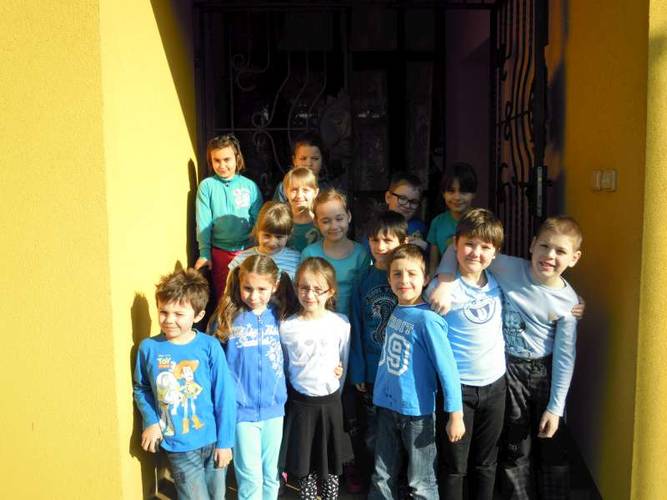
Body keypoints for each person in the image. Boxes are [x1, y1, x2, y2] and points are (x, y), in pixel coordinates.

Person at [431, 216, 583, 500]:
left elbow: (565, 357)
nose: (550, 256)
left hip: (545, 373)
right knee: (515, 446)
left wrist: (556, 407)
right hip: (508, 370)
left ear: (574, 258)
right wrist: (445, 282)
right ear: (532, 245)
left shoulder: (569, 303)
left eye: (560, 251)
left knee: (552, 446)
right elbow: (457, 247)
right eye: (545, 246)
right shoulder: (508, 266)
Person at [369, 244, 464, 500]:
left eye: (412, 274)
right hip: (387, 407)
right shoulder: (396, 310)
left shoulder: (428, 320)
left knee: (421, 482)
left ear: (425, 279)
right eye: (397, 274)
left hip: (417, 414)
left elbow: (448, 369)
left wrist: (455, 414)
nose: (404, 280)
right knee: (382, 475)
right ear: (389, 279)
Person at [424, 208, 506, 500]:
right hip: (458, 389)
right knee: (454, 466)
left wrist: (570, 302)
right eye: (469, 244)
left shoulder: (500, 281)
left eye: (485, 247)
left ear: (495, 253)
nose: (476, 252)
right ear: (455, 245)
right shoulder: (440, 289)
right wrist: (444, 282)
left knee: (486, 462)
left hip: (496, 386)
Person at [133, 269, 236, 500]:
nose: (169, 320)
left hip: (213, 440)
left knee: (217, 496)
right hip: (178, 444)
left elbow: (224, 395)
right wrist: (151, 421)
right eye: (163, 312)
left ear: (198, 315)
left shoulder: (209, 347)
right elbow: (142, 388)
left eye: (179, 314)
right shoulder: (148, 348)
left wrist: (225, 442)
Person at [208, 255, 297, 500]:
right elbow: (213, 364)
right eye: (247, 288)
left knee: (271, 476)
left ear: (274, 286)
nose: (254, 296)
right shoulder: (226, 317)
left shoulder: (282, 315)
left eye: (262, 289)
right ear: (239, 284)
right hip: (240, 412)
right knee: (250, 478)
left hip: (274, 409)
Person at [279, 257, 351, 500]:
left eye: (317, 289)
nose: (310, 295)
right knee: (305, 465)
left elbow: (344, 361)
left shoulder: (341, 324)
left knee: (330, 465)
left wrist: (336, 384)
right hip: (300, 405)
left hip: (330, 404)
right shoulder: (287, 327)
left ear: (330, 291)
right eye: (304, 288)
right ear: (296, 287)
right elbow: (285, 365)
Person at [348, 211, 408, 463]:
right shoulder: (363, 280)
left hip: (404, 371)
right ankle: (376, 476)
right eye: (374, 240)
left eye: (388, 240)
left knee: (405, 429)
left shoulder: (408, 279)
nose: (380, 247)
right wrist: (358, 371)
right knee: (374, 430)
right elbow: (356, 326)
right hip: (373, 371)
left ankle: (401, 477)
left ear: (403, 242)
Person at [195, 135, 263, 298]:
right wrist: (204, 253)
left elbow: (259, 221)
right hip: (220, 253)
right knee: (224, 296)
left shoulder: (250, 186)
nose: (222, 165)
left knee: (248, 294)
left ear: (237, 158)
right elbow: (203, 222)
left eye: (227, 159)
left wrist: (258, 249)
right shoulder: (207, 186)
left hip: (247, 251)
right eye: (217, 160)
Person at [301, 188, 371, 317]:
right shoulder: (310, 253)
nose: (334, 226)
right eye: (326, 221)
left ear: (348, 216)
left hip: (351, 321)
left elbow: (364, 293)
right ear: (316, 222)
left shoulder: (360, 254)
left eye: (339, 219)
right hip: (318, 320)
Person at [227, 201, 301, 280]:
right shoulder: (241, 260)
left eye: (279, 237)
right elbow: (230, 287)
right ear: (257, 231)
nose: (272, 243)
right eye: (267, 236)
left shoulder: (297, 260)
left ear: (289, 235)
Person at [427, 163, 478, 274]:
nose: (457, 197)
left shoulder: (482, 222)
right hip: (445, 279)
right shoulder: (437, 223)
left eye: (463, 191)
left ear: (474, 194)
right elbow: (433, 265)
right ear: (443, 193)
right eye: (451, 191)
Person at [274, 132, 328, 202]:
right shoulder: (283, 187)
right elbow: (276, 208)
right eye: (303, 158)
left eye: (315, 158)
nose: (308, 164)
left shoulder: (327, 189)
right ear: (294, 160)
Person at [384, 172, 428, 252]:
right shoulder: (378, 225)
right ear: (388, 197)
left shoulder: (418, 227)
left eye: (414, 202)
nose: (407, 205)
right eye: (402, 198)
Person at [283, 167, 321, 252]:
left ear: (315, 192)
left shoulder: (321, 221)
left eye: (305, 190)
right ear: (286, 192)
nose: (299, 195)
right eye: (294, 190)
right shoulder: (281, 221)